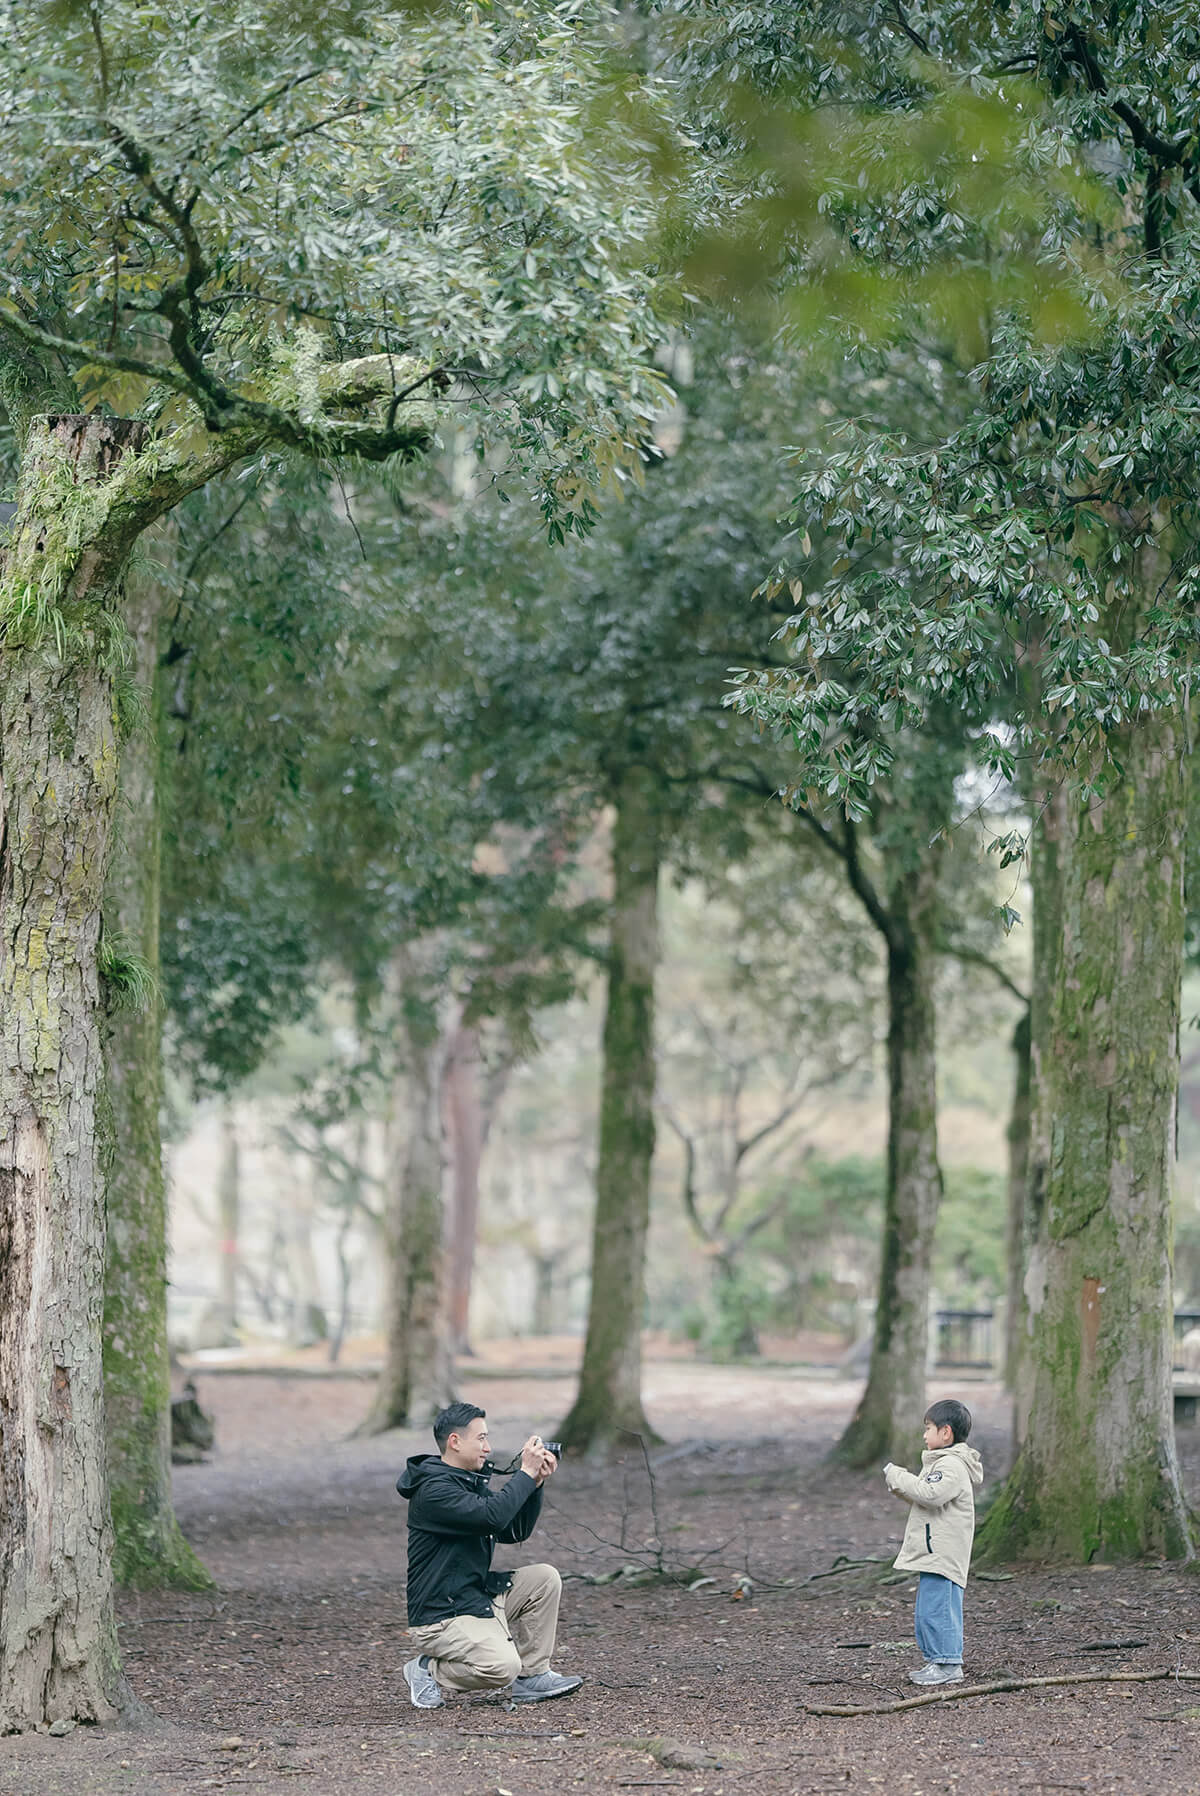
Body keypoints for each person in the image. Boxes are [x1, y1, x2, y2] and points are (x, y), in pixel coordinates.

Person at [396, 1401, 583, 1710]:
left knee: (543, 1578)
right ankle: (426, 1669)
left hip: (474, 1599)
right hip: (440, 1616)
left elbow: (512, 1530)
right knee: (503, 1667)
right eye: (481, 1438)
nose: (488, 1447)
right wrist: (524, 1472)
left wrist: (535, 1483)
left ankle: (534, 1676)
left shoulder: (467, 1480)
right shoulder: (434, 1490)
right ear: (455, 1442)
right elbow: (492, 1518)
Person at [883, 1398, 984, 1687]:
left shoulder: (951, 1465)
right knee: (929, 1609)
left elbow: (930, 1495)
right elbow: (925, 1496)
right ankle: (936, 1661)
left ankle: (948, 1663)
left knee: (937, 1609)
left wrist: (898, 1475)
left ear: (946, 1433)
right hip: (935, 1550)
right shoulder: (943, 1463)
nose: (924, 1435)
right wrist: (900, 1485)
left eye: (928, 1428)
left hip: (942, 1551)